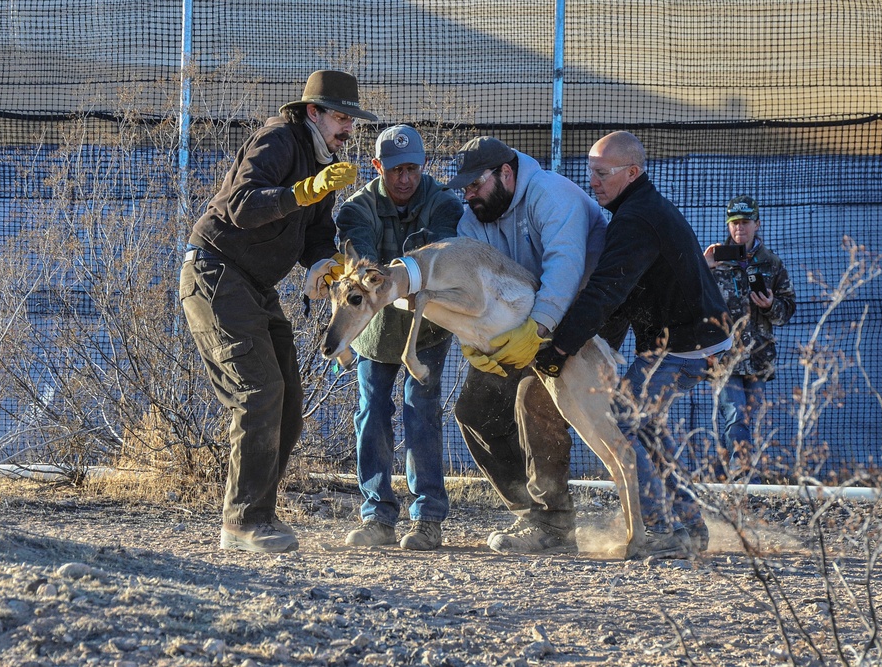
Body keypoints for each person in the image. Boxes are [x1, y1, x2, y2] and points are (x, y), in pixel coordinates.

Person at [179, 70, 376, 553]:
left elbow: (313, 236)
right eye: (340, 116)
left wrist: (326, 264)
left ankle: (256, 515)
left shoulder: (324, 162)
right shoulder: (279, 139)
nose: (348, 127)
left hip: (252, 283)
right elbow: (242, 207)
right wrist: (302, 191)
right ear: (313, 112)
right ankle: (244, 521)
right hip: (216, 271)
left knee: (287, 398)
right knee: (259, 390)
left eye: (352, 119)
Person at [535, 131, 732, 557]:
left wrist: (561, 348)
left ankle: (662, 529)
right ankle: (691, 525)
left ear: (632, 172)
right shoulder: (639, 209)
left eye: (603, 173)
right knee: (646, 428)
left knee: (627, 419)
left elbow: (606, 290)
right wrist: (594, 346)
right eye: (591, 171)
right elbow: (626, 295)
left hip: (686, 346)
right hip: (696, 340)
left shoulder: (637, 218)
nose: (594, 181)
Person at [445, 136, 608, 554]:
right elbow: (475, 282)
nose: (468, 195)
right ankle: (532, 511)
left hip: (588, 316)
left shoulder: (552, 195)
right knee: (473, 410)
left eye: (475, 185)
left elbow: (565, 268)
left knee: (532, 398)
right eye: (463, 188)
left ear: (506, 173)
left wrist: (536, 331)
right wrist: (473, 337)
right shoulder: (473, 219)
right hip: (525, 321)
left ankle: (552, 524)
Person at [333, 125, 463, 551]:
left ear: (423, 166)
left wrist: (389, 276)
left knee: (420, 410)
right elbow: (363, 262)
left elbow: (437, 255)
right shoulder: (356, 207)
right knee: (372, 412)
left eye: (412, 169)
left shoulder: (443, 202)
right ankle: (377, 516)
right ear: (377, 167)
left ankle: (427, 518)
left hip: (426, 326)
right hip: (373, 328)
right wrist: (379, 275)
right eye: (395, 170)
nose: (404, 178)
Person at [703, 195, 795, 481]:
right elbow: (694, 302)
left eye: (745, 222)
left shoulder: (771, 263)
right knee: (736, 416)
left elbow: (787, 311)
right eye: (734, 223)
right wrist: (702, 266)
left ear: (757, 224)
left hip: (758, 357)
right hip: (724, 356)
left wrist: (770, 306)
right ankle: (746, 482)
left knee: (745, 422)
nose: (739, 229)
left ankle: (720, 477)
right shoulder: (715, 258)